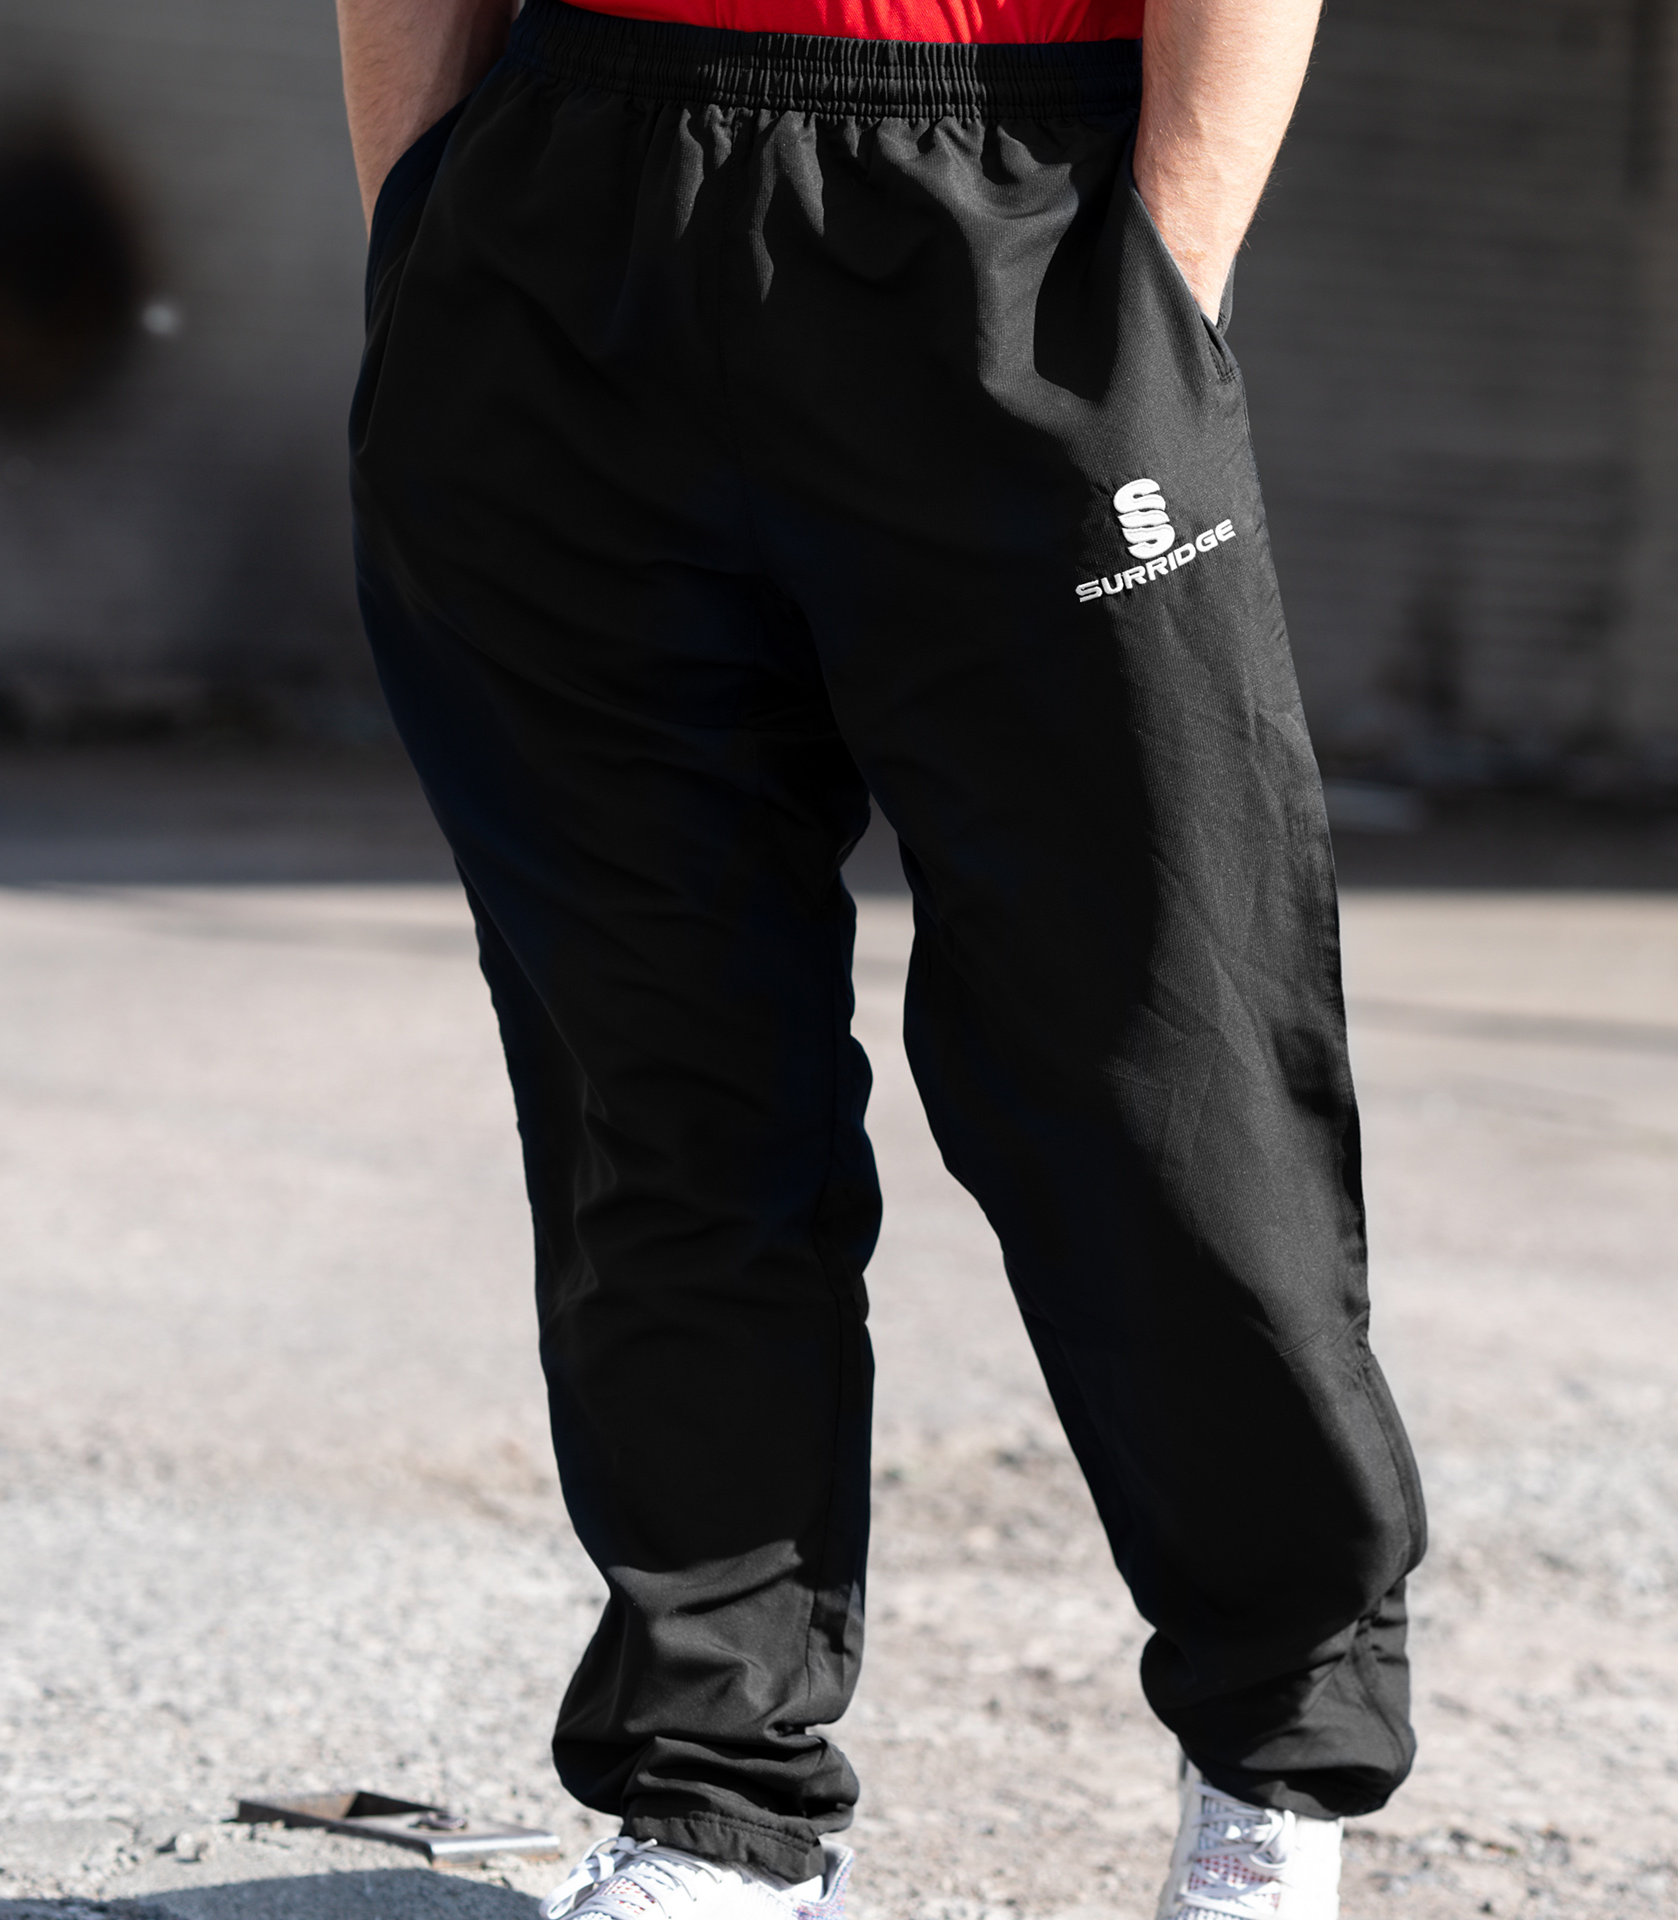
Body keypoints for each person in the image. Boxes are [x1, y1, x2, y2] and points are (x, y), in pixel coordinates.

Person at [335, 0, 1426, 1914]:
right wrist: (420, 215)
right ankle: (717, 1801)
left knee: (1160, 1056)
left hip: (1012, 197)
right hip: (564, 214)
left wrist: (1158, 290)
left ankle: (1280, 1746)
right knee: (656, 1077)